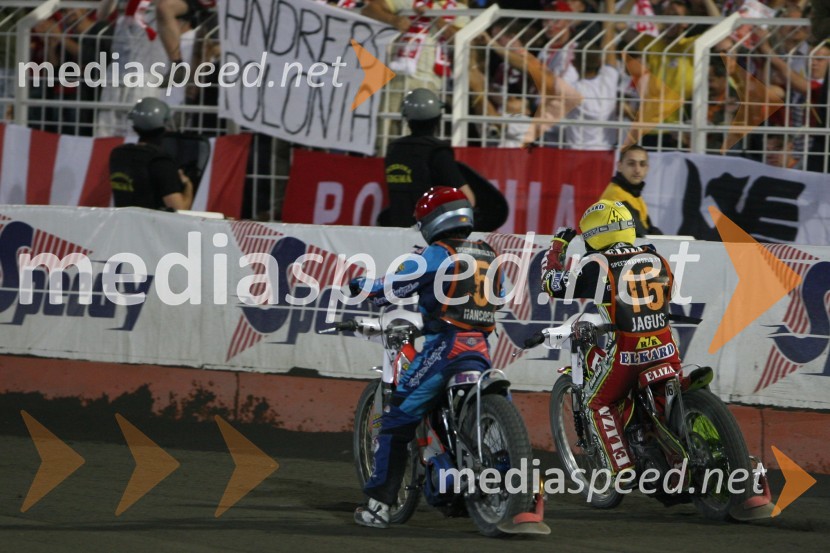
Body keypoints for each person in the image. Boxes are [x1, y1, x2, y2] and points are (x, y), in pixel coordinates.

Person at [351, 187, 502, 528]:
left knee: (396, 418)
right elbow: (502, 294)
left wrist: (360, 285)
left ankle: (379, 506)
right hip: (481, 350)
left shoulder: (435, 253)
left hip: (445, 348)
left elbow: (390, 287)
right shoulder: (488, 253)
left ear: (432, 222)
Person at [539, 201, 708, 478]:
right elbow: (670, 292)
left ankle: (622, 470)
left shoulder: (597, 265)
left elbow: (549, 282)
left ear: (595, 234)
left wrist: (558, 246)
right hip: (666, 347)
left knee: (596, 403)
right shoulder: (654, 255)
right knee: (669, 403)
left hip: (629, 354)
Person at [381, 89, 475, 226]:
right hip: (428, 233)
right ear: (438, 118)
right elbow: (467, 200)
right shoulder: (437, 151)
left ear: (407, 119)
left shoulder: (394, 149)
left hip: (397, 230)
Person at [109, 97, 193, 210]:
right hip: (151, 226)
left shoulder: (118, 154)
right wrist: (188, 185)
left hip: (123, 224)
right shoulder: (160, 161)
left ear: (135, 126)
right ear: (164, 125)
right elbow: (179, 209)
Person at [599, 144, 661, 236]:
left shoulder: (632, 193)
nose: (637, 170)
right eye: (631, 164)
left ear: (647, 168)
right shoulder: (616, 197)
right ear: (619, 166)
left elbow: (648, 229)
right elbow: (640, 236)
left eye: (642, 164)